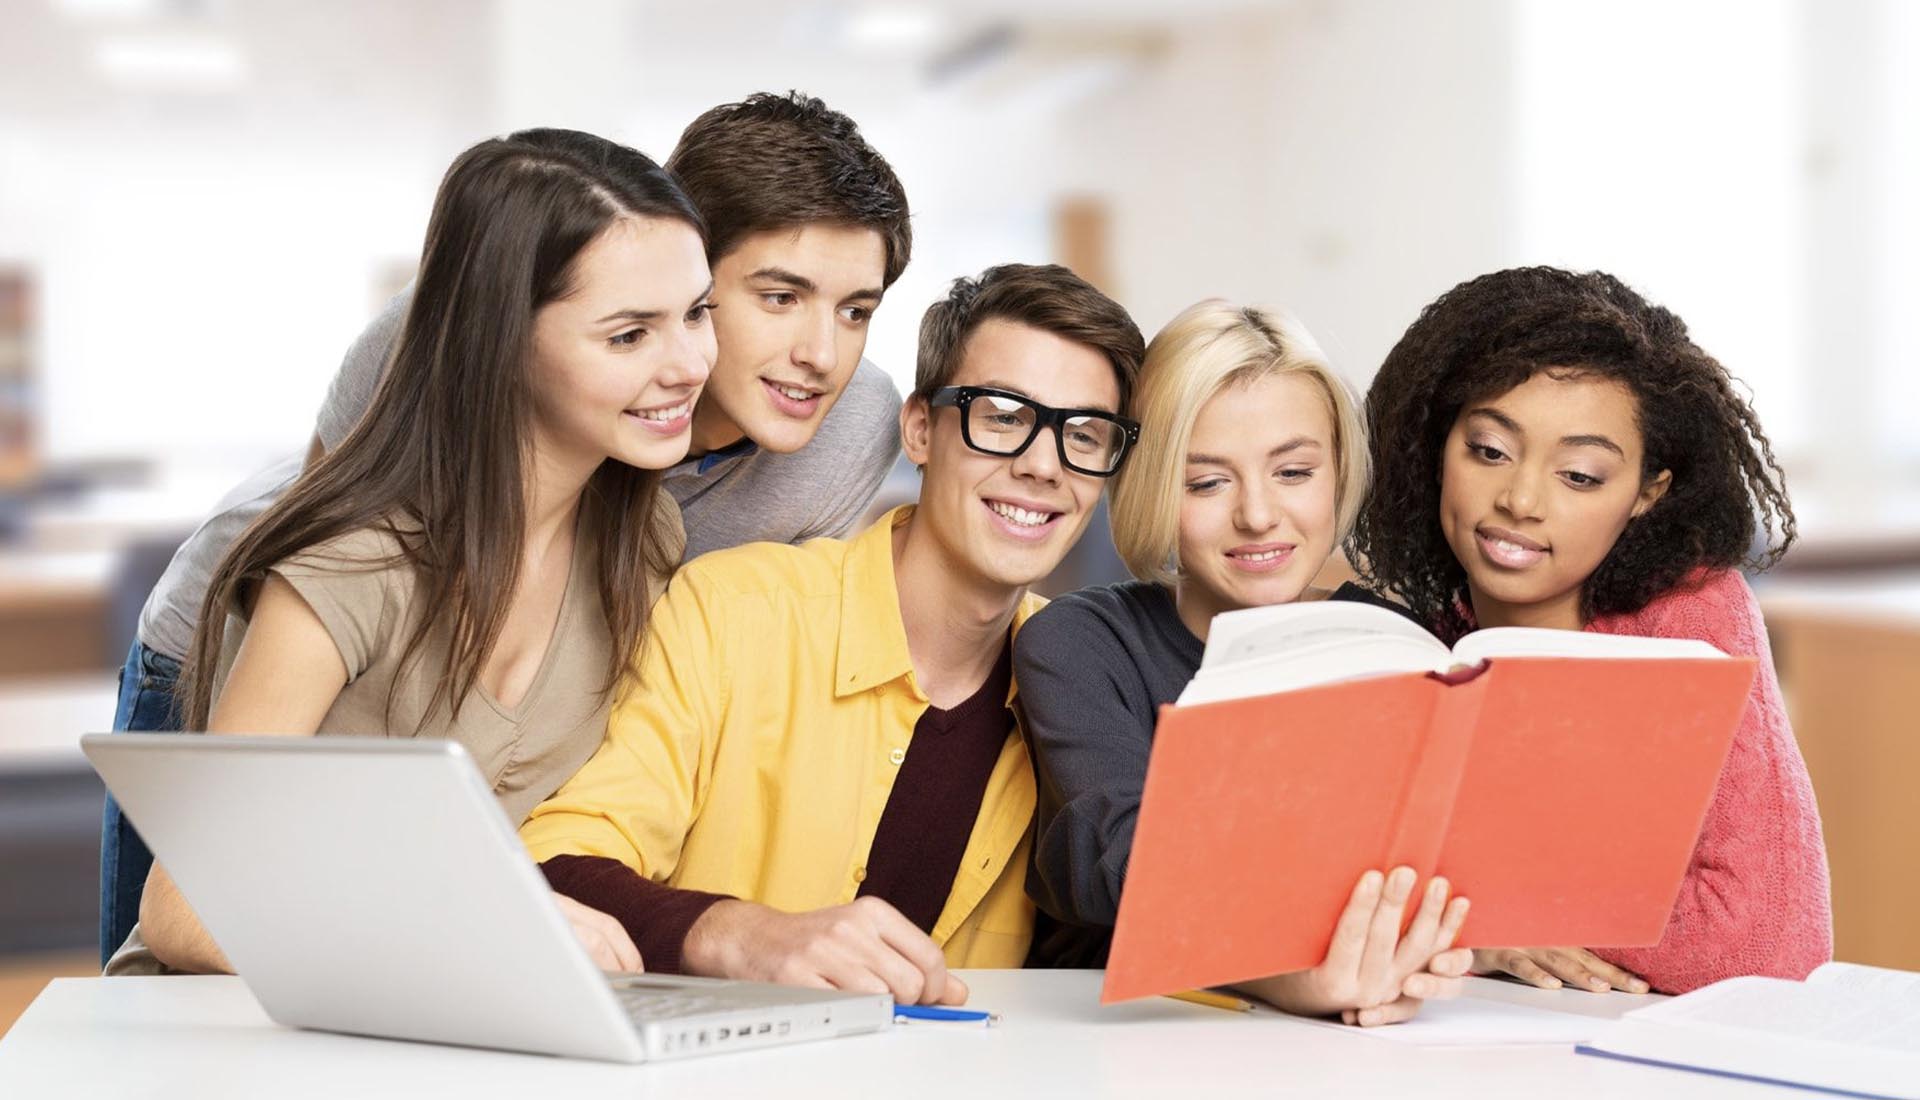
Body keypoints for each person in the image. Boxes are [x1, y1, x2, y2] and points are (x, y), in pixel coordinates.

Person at [101, 91, 914, 962]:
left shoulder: (650, 542)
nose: (819, 353)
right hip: (237, 682)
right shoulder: (361, 543)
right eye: (630, 334)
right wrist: (482, 925)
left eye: (693, 316)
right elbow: (187, 913)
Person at [518, 264, 1146, 1005]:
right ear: (920, 429)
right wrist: (744, 936)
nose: (1043, 466)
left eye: (1085, 435)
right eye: (1002, 417)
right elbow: (553, 867)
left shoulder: (1085, 682)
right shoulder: (734, 610)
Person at [1348, 266, 1832, 995]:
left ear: (1646, 493)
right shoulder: (1414, 638)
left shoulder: (1690, 614)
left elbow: (1767, 942)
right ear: (1437, 446)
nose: (1519, 499)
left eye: (1579, 475)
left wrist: (1475, 911)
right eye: (1489, 450)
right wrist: (1481, 934)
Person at [1015, 300, 1470, 1026]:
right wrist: (1286, 978)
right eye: (1206, 482)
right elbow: (1125, 864)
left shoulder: (1394, 642)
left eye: (1293, 471)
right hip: (1118, 1035)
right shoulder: (1081, 643)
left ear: (1338, 473)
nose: (1258, 515)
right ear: (1153, 487)